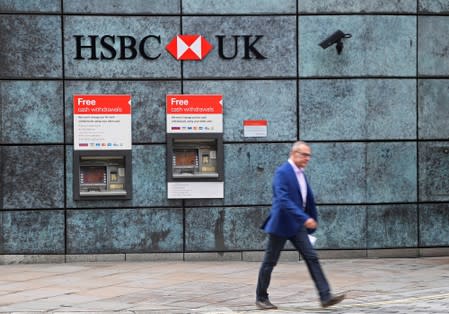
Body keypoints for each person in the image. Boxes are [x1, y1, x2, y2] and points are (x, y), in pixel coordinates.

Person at [255, 141, 345, 310]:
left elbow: (306, 199)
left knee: (312, 257)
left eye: (309, 155)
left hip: (297, 226)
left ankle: (325, 296)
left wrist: (308, 219)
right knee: (270, 261)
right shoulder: (283, 172)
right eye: (304, 155)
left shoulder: (301, 173)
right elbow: (283, 200)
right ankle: (261, 297)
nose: (307, 158)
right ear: (294, 153)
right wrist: (304, 218)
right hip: (281, 224)